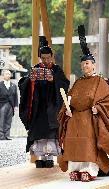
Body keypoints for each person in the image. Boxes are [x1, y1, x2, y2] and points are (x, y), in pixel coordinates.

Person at [58, 25, 109, 182]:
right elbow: (69, 99)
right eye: (83, 64)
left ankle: (88, 170)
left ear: (93, 65)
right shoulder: (77, 82)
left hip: (89, 118)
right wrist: (67, 110)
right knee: (72, 143)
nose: (85, 66)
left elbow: (108, 100)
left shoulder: (100, 81)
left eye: (88, 64)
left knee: (87, 143)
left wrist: (98, 108)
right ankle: (75, 169)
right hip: (74, 118)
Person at [18, 36, 70, 168]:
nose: (46, 61)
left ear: (52, 57)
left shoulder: (57, 70)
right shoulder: (36, 68)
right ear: (40, 57)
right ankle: (40, 158)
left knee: (51, 134)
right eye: (43, 58)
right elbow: (23, 84)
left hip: (52, 107)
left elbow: (65, 84)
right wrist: (31, 80)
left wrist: (54, 81)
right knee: (39, 134)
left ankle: (49, 158)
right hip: (38, 108)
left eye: (48, 58)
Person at [0, 70, 18, 140]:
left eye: (9, 74)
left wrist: (16, 106)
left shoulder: (13, 85)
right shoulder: (0, 84)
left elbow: (15, 96)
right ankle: (1, 135)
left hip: (11, 105)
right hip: (2, 104)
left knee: (9, 120)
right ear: (3, 75)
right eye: (6, 74)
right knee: (1, 120)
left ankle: (7, 135)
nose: (8, 75)